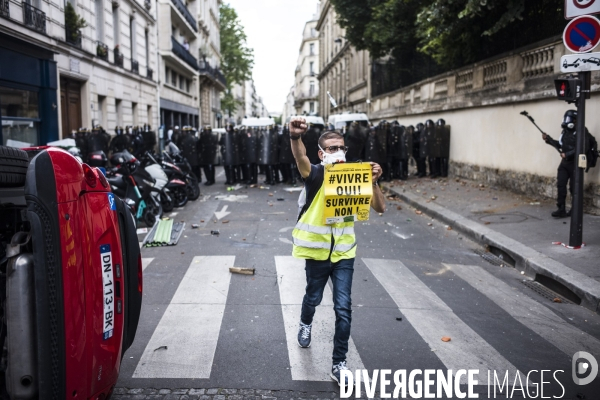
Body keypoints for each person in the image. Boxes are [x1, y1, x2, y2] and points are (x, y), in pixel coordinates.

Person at [288, 116, 386, 386]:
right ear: (321, 153)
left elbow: (380, 208)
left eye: (341, 147)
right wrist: (296, 138)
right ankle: (305, 323)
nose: (338, 151)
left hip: (344, 254)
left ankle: (338, 363)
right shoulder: (316, 173)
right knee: (313, 298)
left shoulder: (355, 175)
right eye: (332, 148)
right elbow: (301, 160)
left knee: (344, 309)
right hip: (318, 254)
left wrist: (375, 181)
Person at [542, 110, 593, 218]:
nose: (567, 121)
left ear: (575, 120)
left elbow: (583, 147)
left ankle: (575, 210)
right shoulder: (565, 131)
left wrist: (568, 154)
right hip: (564, 164)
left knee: (574, 188)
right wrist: (548, 139)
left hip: (575, 164)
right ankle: (561, 209)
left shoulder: (582, 131)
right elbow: (560, 145)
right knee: (561, 185)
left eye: (569, 119)